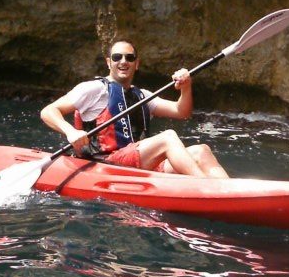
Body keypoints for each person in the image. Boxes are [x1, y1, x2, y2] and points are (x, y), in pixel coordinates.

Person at [40, 39, 229, 177]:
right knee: (168, 137)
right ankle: (205, 187)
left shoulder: (143, 96)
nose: (123, 61)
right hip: (106, 161)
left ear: (136, 64)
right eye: (117, 57)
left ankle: (230, 191)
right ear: (109, 62)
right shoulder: (93, 89)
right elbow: (48, 111)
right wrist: (70, 131)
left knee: (201, 150)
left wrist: (186, 87)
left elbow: (182, 111)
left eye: (129, 58)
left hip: (134, 161)